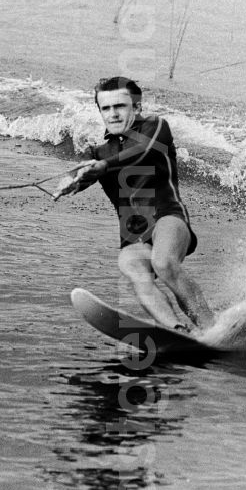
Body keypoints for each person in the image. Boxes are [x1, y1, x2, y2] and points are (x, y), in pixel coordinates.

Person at [53, 76, 213, 333]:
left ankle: (211, 327)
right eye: (106, 108)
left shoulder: (156, 127)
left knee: (163, 263)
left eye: (120, 106)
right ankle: (177, 331)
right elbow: (79, 174)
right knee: (131, 268)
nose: (113, 114)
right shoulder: (96, 153)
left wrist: (104, 166)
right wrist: (70, 181)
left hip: (168, 218)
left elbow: (143, 151)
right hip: (134, 235)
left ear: (136, 108)